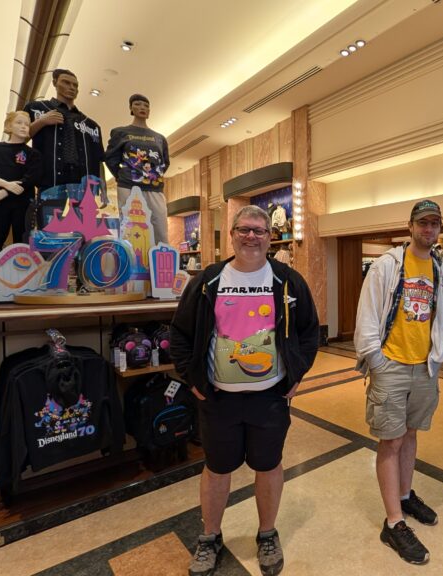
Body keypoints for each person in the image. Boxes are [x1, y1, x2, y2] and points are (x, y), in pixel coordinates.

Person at [170, 205, 319, 576]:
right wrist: (192, 379)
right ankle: (210, 537)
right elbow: (180, 332)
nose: (251, 236)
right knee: (217, 469)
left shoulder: (287, 281)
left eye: (259, 231)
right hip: (217, 399)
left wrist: (297, 374)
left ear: (270, 237)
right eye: (244, 230)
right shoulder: (209, 281)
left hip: (270, 398)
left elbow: (309, 331)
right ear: (232, 234)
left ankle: (267, 533)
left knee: (268, 466)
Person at [353, 199, 443, 565]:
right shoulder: (387, 265)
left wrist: (437, 357)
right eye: (423, 223)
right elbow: (367, 314)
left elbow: (441, 316)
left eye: (434, 224)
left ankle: (405, 496)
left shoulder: (440, 269)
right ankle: (393, 522)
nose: (428, 229)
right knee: (391, 440)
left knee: (410, 434)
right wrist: (376, 361)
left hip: (424, 367)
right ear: (410, 226)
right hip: (391, 365)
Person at [23, 68, 106, 221]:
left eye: (75, 85)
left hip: (82, 187)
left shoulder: (90, 125)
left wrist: (102, 187)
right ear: (55, 83)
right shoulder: (37, 109)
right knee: (49, 229)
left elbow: (99, 157)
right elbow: (18, 138)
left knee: (83, 230)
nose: (71, 87)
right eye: (66, 83)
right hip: (50, 182)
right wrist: (41, 122)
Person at [0, 111, 42, 258]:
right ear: (8, 126)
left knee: (23, 242)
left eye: (27, 124)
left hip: (24, 202)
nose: (24, 126)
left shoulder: (33, 154)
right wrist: (5, 184)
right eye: (19, 122)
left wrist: (4, 192)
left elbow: (30, 179)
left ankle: (23, 271)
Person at [105, 94, 170, 246]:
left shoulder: (159, 138)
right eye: (138, 104)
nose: (142, 108)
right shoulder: (120, 133)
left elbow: (164, 162)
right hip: (128, 186)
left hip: (154, 188)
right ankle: (131, 260)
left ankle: (161, 260)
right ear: (131, 108)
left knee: (160, 228)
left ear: (149, 111)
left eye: (146, 106)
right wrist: (121, 176)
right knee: (129, 229)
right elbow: (110, 158)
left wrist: (153, 176)